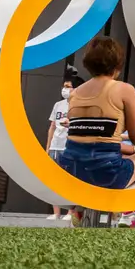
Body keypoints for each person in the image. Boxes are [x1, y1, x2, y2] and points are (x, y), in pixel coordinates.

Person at [58, 36, 135, 223]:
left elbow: (91, 138)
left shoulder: (75, 93)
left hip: (70, 171)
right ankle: (128, 211)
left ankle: (83, 207)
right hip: (106, 172)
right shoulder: (124, 89)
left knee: (125, 158)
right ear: (117, 64)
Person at [43, 74, 76, 219]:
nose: (65, 89)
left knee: (70, 180)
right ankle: (56, 212)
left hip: (69, 147)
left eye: (68, 86)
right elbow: (52, 126)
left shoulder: (79, 104)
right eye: (64, 86)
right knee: (53, 180)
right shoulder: (58, 105)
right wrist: (48, 147)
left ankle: (70, 211)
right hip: (55, 146)